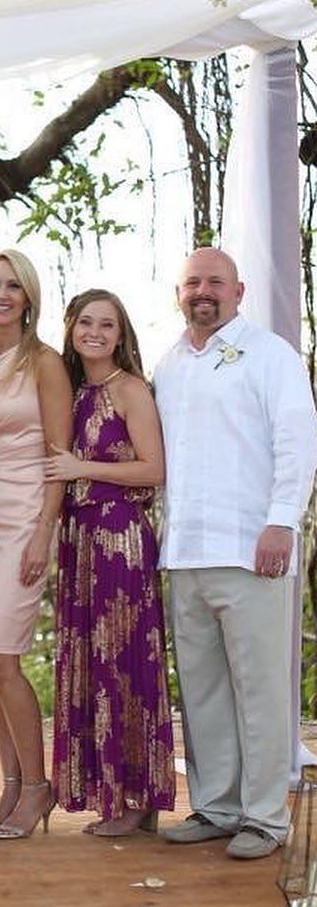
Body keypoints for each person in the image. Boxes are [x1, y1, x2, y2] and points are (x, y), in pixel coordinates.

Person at [155, 247, 317, 860]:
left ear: (238, 291)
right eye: (192, 281)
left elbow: (297, 441)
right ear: (178, 293)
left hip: (253, 550)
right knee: (202, 694)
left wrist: (282, 522)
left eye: (214, 282)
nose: (203, 291)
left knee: (261, 689)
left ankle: (266, 818)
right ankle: (216, 807)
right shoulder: (169, 364)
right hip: (186, 552)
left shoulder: (271, 356)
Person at [46, 288, 175, 837]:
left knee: (123, 663)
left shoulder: (130, 390)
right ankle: (110, 792)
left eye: (107, 324)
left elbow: (153, 470)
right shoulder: (72, 392)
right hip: (79, 539)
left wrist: (82, 467)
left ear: (121, 335)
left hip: (120, 537)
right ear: (71, 327)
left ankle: (135, 798)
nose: (95, 332)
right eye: (86, 322)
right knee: (90, 665)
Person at [0, 248, 72, 840]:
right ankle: (9, 781)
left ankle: (38, 786)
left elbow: (59, 457)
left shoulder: (45, 363)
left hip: (23, 515)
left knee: (3, 658)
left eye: (13, 286)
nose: (1, 294)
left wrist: (43, 531)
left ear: (28, 298)